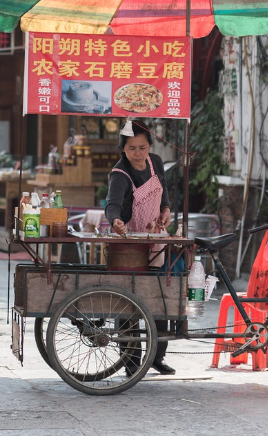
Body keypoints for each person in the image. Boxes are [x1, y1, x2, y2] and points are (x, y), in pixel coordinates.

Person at [105, 120, 175, 376]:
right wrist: (115, 221)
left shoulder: (155, 162)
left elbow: (163, 190)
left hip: (155, 239)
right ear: (123, 149)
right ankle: (131, 360)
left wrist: (166, 209)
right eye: (132, 148)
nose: (138, 153)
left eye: (142, 147)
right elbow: (112, 204)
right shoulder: (119, 174)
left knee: (160, 297)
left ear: (150, 146)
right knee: (129, 303)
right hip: (129, 245)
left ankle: (157, 356)